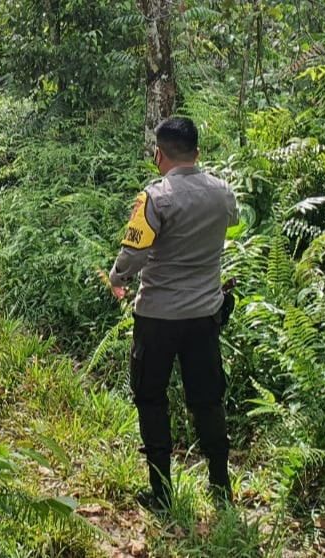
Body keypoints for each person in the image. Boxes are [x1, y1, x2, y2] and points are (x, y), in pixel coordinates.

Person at [107, 117, 239, 511]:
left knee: (151, 398)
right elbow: (229, 224)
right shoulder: (223, 192)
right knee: (208, 399)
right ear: (198, 153)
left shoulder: (154, 197)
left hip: (158, 317)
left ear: (158, 154)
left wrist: (116, 277)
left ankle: (161, 493)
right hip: (204, 316)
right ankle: (221, 488)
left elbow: (133, 255)